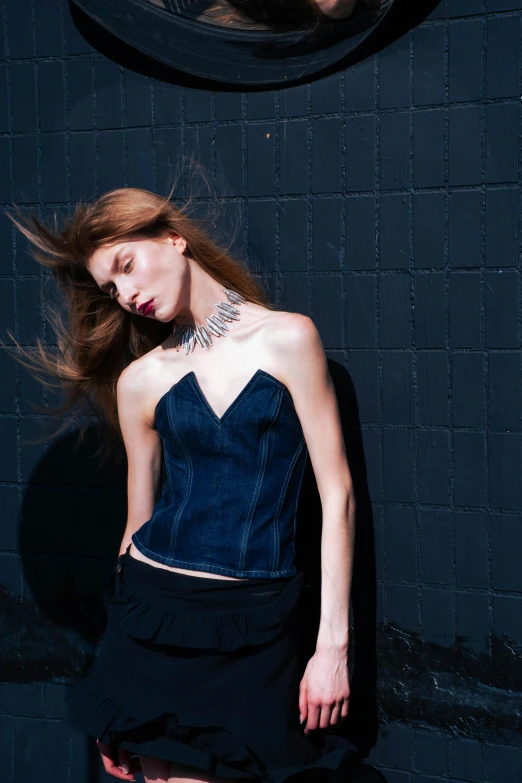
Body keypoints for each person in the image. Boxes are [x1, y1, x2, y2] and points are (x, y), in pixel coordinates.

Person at [7, 185, 357, 783]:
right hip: (150, 619)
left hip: (254, 623)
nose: (127, 294)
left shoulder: (289, 339)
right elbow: (136, 527)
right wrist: (112, 686)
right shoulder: (141, 381)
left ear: (173, 238)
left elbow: (337, 496)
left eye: (126, 266)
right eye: (111, 289)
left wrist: (333, 649)